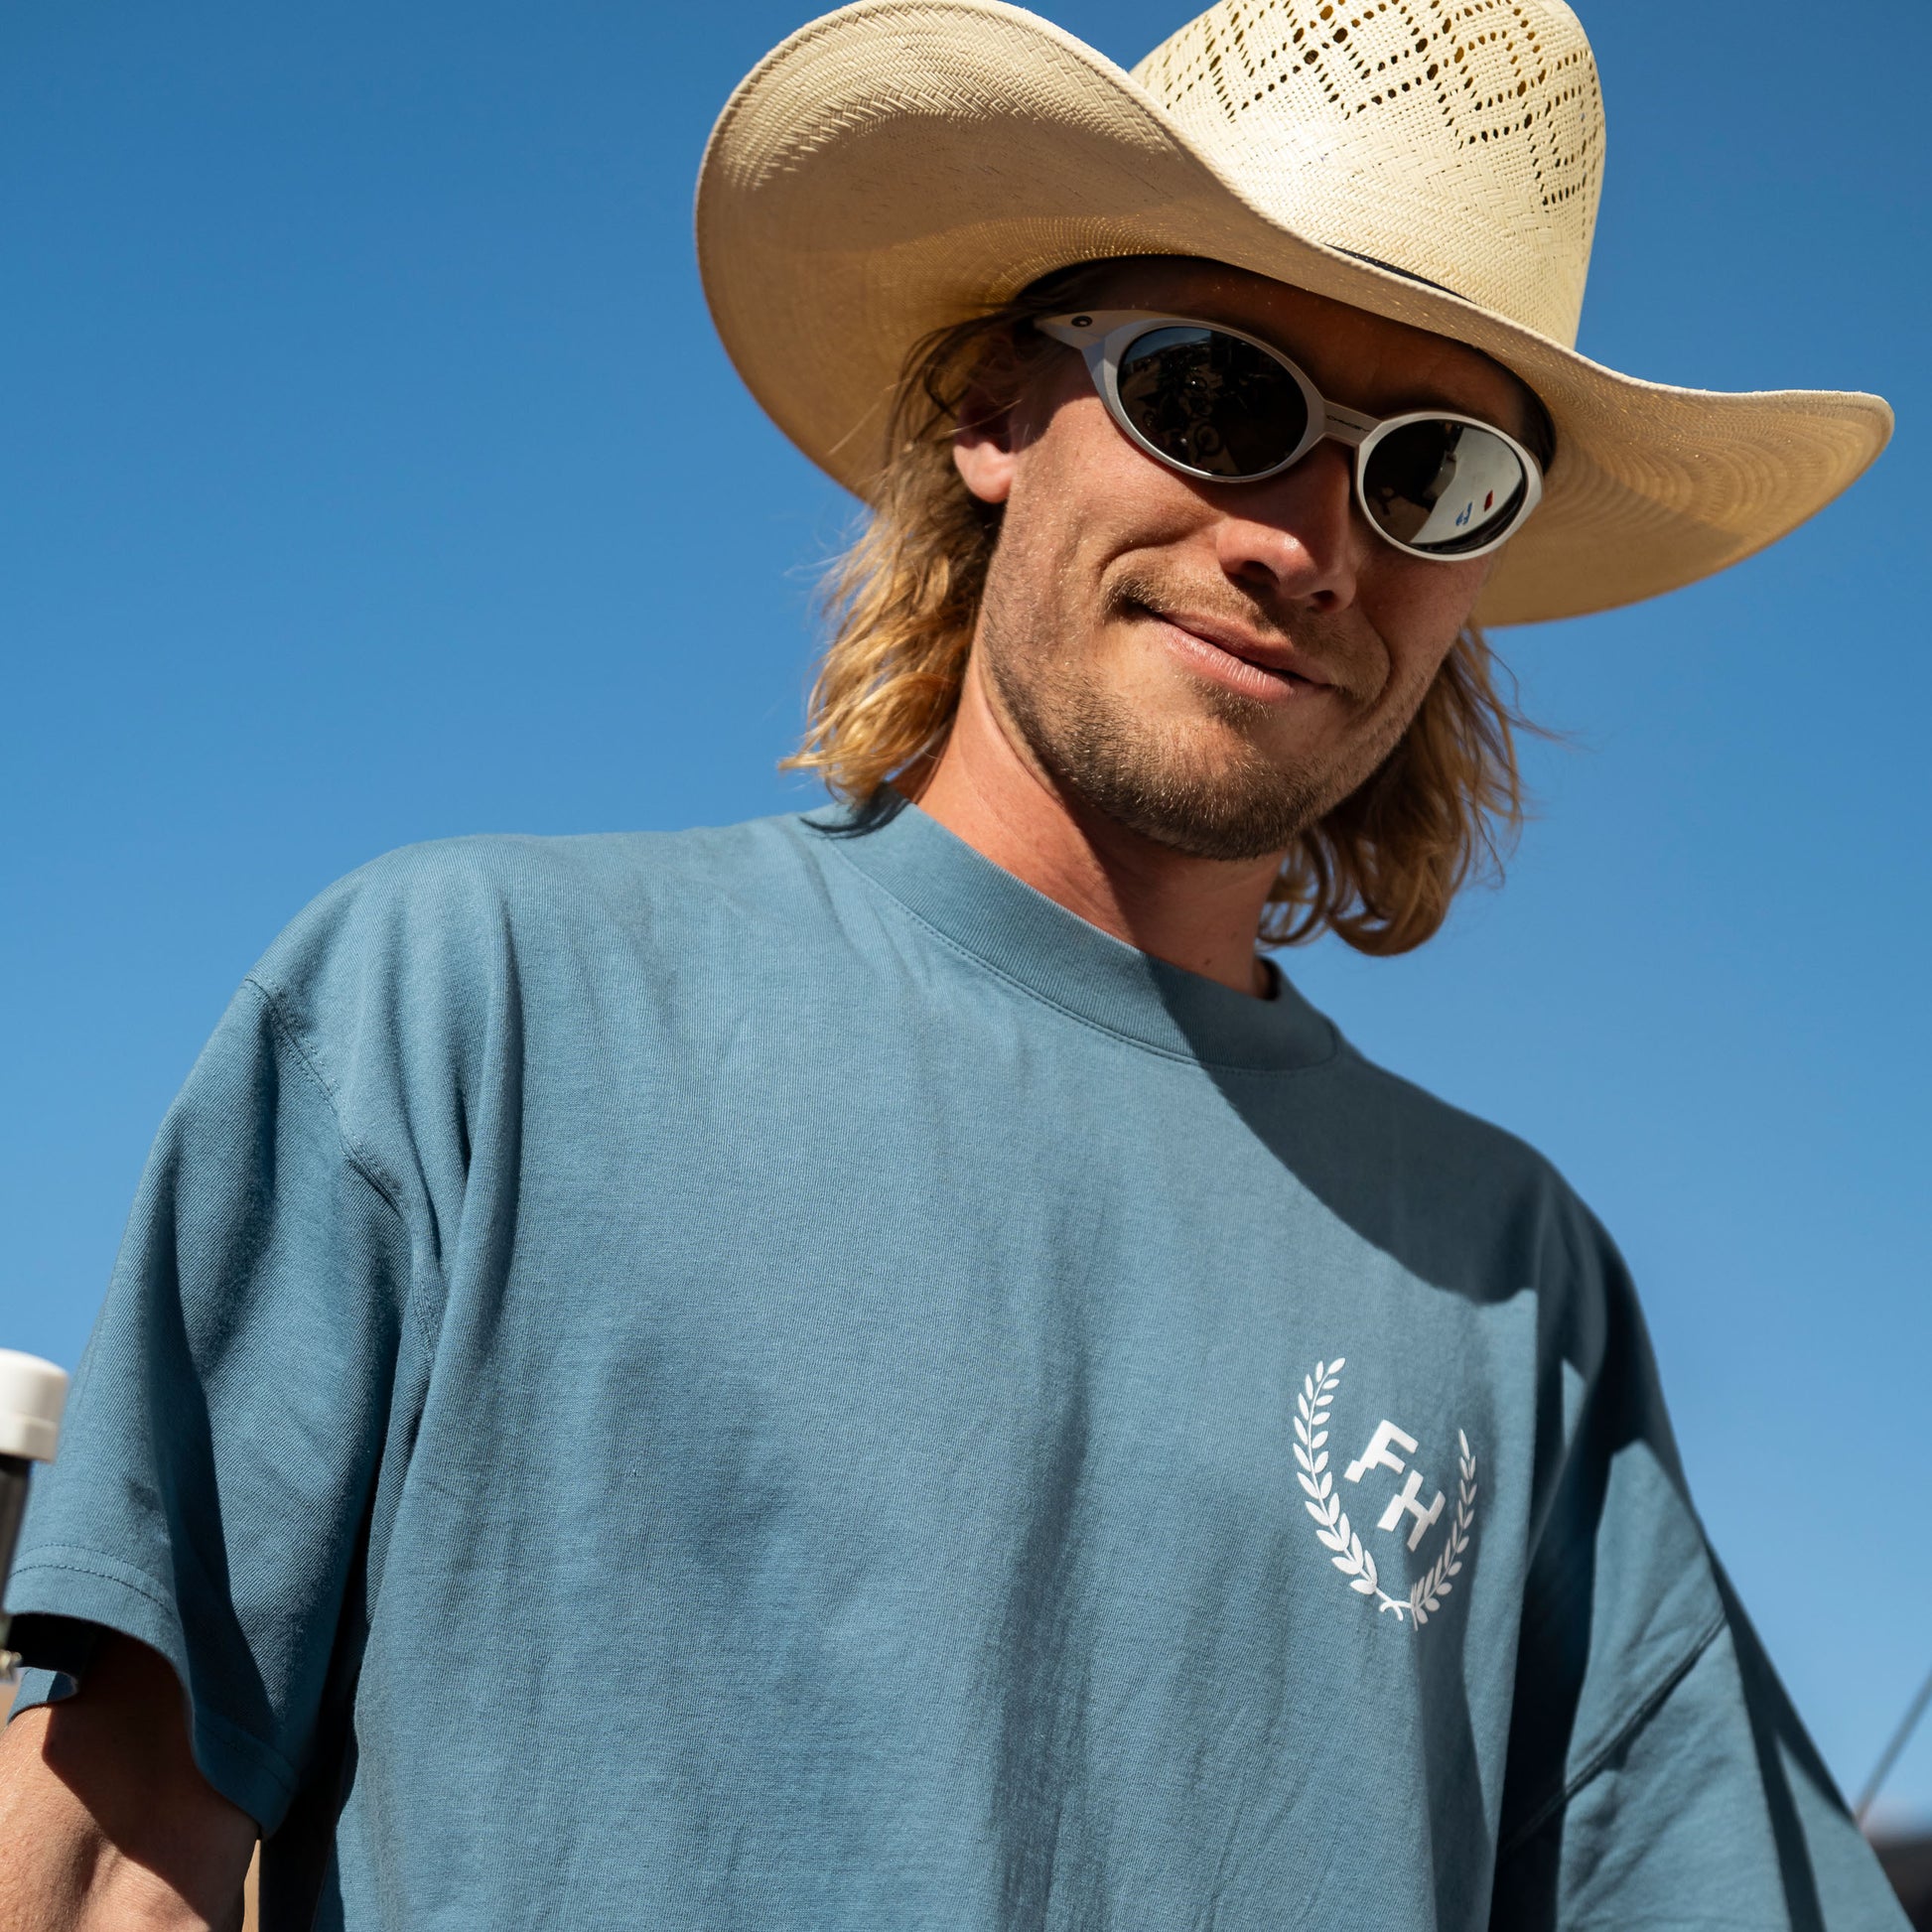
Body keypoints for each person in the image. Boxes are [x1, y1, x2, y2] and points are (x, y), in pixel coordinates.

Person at [0, 0, 1908, 1925]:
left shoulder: (1513, 1289)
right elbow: (102, 1860)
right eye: (1221, 397)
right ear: (997, 409)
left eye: (1430, 475)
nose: (1310, 542)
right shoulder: (467, 1014)